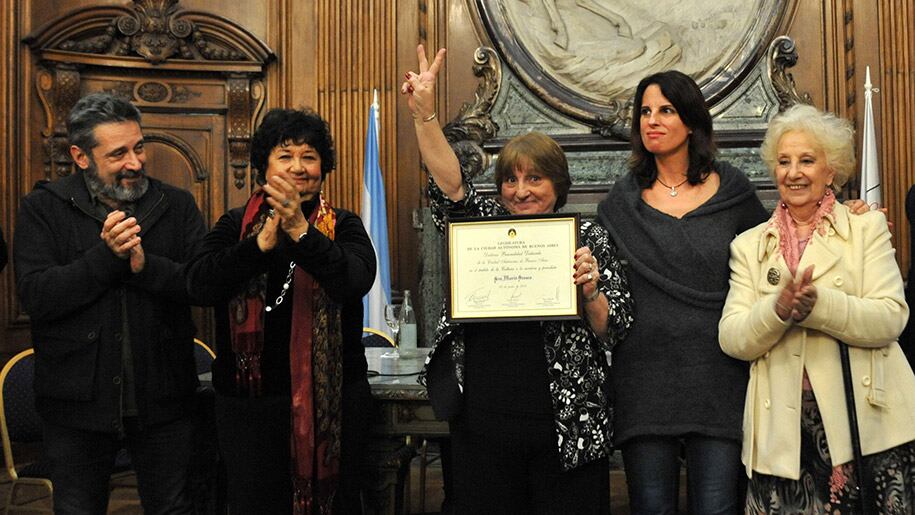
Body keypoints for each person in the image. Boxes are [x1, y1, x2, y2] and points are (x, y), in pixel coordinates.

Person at [403, 45, 633, 514]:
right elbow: (450, 185)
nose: (521, 191)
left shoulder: (589, 238)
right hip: (485, 422)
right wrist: (425, 116)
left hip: (567, 425)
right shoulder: (482, 225)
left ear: (558, 185)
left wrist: (590, 292)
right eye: (511, 180)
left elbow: (613, 329)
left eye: (535, 179)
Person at [13, 92, 206, 514]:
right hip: (75, 407)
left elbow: (203, 285)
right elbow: (37, 296)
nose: (135, 162)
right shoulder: (43, 209)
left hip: (165, 400)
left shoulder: (175, 204)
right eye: (118, 153)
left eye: (139, 147)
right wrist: (106, 258)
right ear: (81, 157)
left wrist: (146, 266)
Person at [719, 104, 915, 513]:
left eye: (807, 160)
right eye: (784, 162)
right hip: (782, 436)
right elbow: (733, 338)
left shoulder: (866, 228)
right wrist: (777, 310)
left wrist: (818, 306)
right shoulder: (748, 245)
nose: (794, 173)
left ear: (831, 170)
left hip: (864, 428)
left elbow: (890, 317)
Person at [186, 108, 376, 514]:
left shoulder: (344, 225)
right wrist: (257, 247)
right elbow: (198, 284)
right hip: (250, 409)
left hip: (332, 406)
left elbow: (354, 280)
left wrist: (302, 233)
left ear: (323, 167)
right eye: (285, 155)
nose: (298, 167)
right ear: (264, 167)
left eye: (309, 156)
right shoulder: (234, 225)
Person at [596, 70, 770, 514]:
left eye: (666, 110)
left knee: (716, 507)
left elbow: (777, 251)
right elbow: (606, 298)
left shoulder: (733, 191)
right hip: (644, 380)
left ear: (691, 121)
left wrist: (842, 214)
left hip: (719, 377)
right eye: (645, 112)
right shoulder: (621, 203)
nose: (652, 120)